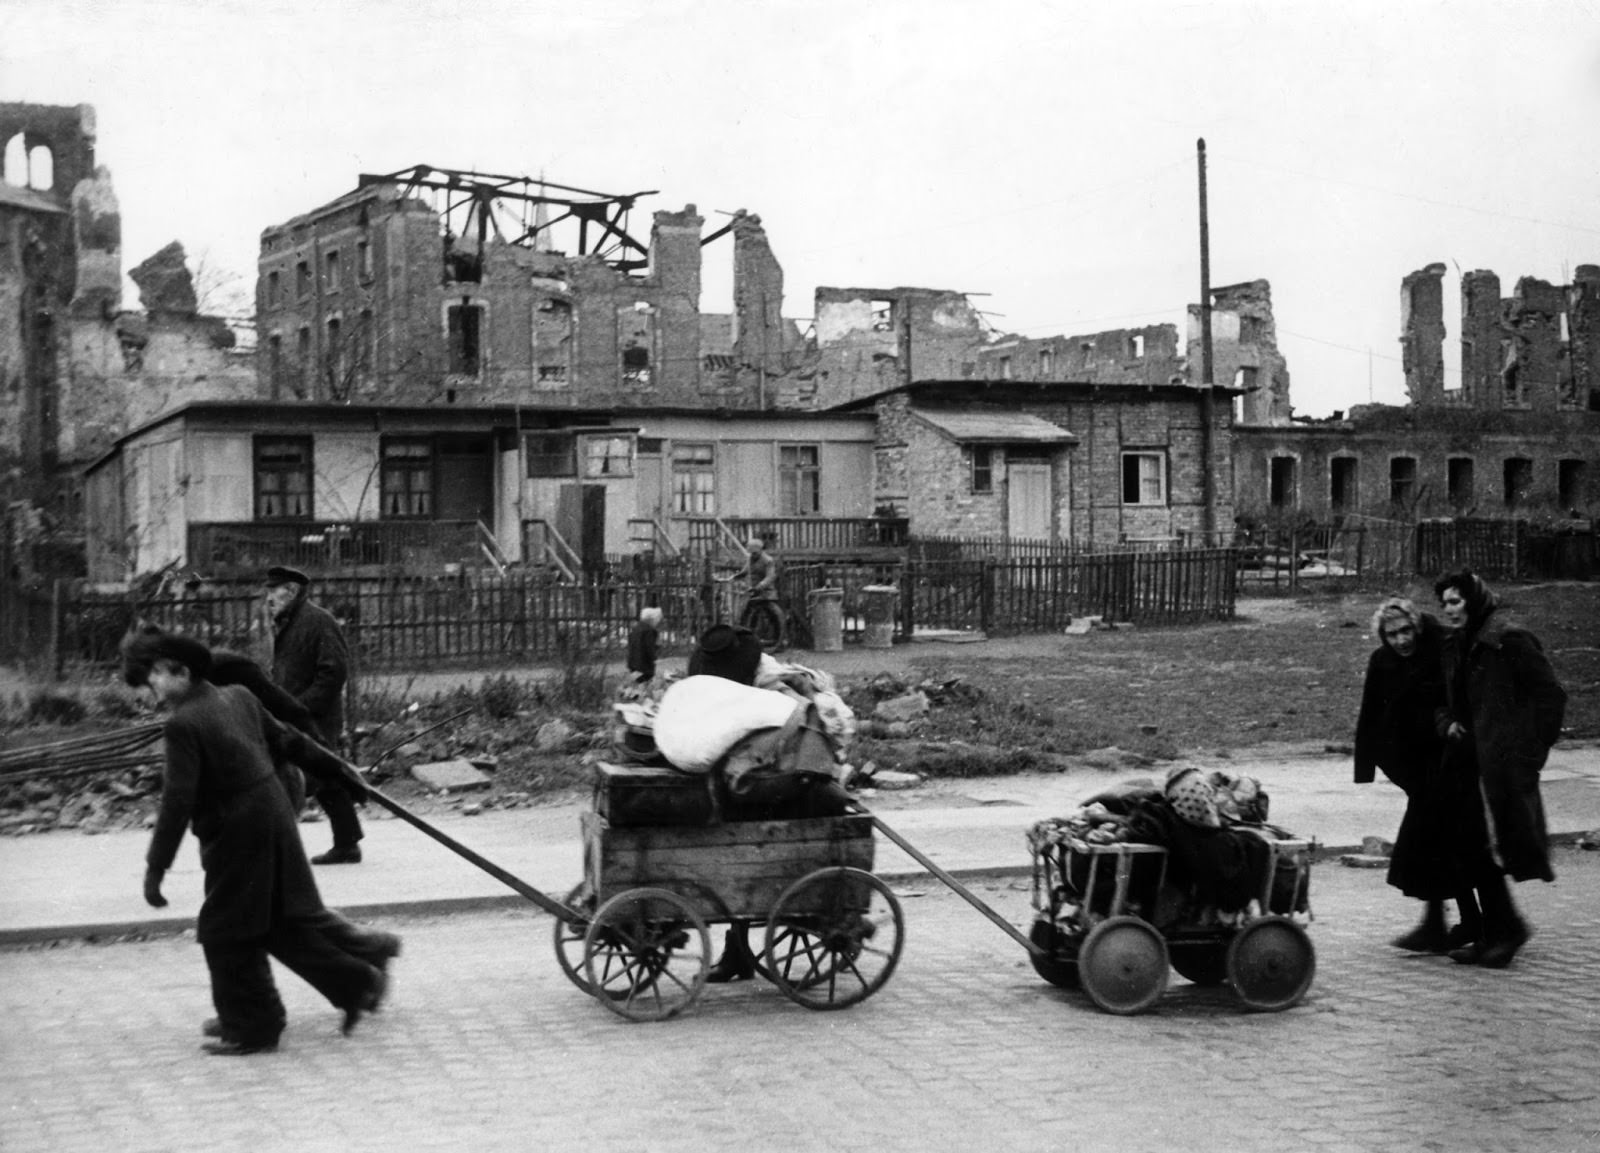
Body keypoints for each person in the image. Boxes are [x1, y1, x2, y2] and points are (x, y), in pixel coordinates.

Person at [125, 630, 394, 1056]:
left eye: (156, 673)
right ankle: (356, 983)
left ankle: (253, 1024)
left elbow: (178, 801)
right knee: (274, 925)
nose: (151, 683)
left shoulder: (183, 724)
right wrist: (341, 771)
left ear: (183, 672)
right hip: (274, 814)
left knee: (223, 932)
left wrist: (156, 869)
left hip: (239, 830)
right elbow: (290, 739)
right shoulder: (236, 697)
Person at [1434, 569, 1568, 968]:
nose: (1449, 610)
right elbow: (1445, 700)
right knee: (1468, 848)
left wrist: (1528, 757)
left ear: (1474, 600)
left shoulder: (1507, 640)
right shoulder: (1457, 644)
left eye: (1456, 601)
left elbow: (1551, 697)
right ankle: (1495, 931)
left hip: (1502, 768)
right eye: (1443, 604)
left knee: (1489, 851)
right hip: (1467, 764)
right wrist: (1448, 723)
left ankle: (1506, 931)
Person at [1353, 597, 1493, 953]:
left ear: (1416, 626)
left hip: (1450, 760)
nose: (1401, 640)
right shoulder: (1382, 662)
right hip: (1415, 769)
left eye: (1405, 631)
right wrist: (1370, 767)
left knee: (1441, 842)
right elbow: (1370, 716)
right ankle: (1459, 921)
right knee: (1438, 842)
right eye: (1392, 634)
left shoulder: (1439, 652)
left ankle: (1457, 922)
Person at [266, 565, 363, 864]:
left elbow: (333, 673)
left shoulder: (319, 621)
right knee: (326, 779)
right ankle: (347, 843)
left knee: (296, 778)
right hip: (297, 716)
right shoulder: (289, 622)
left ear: (292, 591)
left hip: (315, 717)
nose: (268, 597)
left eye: (274, 590)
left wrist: (300, 708)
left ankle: (278, 849)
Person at [626, 606, 663, 684]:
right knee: (644, 687)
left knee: (635, 685)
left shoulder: (636, 628)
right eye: (657, 619)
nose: (657, 622)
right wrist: (655, 657)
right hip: (644, 666)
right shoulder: (649, 631)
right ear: (651, 619)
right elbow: (649, 647)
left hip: (633, 664)